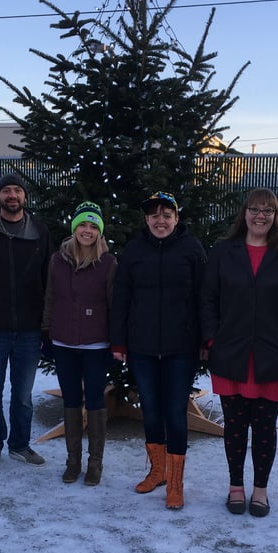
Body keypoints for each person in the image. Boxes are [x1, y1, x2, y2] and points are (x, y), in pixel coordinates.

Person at [201, 188, 278, 517]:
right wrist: (211, 340)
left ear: (276, 217)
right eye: (254, 209)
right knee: (235, 426)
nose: (260, 216)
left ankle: (260, 489)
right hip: (230, 354)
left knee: (264, 427)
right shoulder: (223, 251)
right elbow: (207, 298)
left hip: (272, 357)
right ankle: (236, 486)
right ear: (244, 213)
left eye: (268, 210)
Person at [111, 192, 206, 509]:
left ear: (177, 218)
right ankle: (157, 471)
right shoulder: (134, 251)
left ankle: (176, 483)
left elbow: (204, 297)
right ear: (146, 220)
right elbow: (121, 297)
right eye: (154, 215)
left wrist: (206, 339)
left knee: (176, 415)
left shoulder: (192, 249)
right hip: (142, 347)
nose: (160, 220)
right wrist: (120, 341)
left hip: (182, 348)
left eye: (167, 214)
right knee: (150, 410)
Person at [0, 172, 53, 473]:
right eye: (7, 191)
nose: (12, 195)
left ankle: (19, 445)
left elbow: (48, 282)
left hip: (29, 331)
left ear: (25, 197)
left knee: (24, 395)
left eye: (17, 190)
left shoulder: (40, 232)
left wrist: (46, 326)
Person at [42, 202, 117, 485]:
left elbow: (113, 305)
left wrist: (115, 341)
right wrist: (46, 332)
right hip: (63, 342)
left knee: (95, 401)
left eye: (93, 226)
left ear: (99, 232)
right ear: (75, 229)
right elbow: (50, 297)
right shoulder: (57, 260)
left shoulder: (109, 263)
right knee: (71, 400)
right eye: (83, 225)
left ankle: (95, 462)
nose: (88, 231)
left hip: (96, 344)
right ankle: (72, 461)